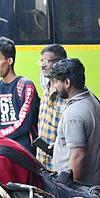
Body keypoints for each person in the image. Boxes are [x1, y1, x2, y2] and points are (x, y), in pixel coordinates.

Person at [50, 57, 100, 188]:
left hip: (79, 192)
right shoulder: (92, 99)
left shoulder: (73, 113)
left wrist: (65, 190)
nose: (55, 87)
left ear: (67, 82)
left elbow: (78, 155)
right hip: (94, 186)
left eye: (56, 82)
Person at [0, 36, 38, 150]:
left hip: (23, 148)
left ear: (9, 61)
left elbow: (24, 123)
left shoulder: (25, 85)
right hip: (3, 146)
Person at [36, 43, 67, 171]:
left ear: (60, 63)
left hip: (60, 166)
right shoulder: (45, 92)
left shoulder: (67, 95)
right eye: (41, 61)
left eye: (47, 61)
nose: (43, 65)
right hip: (42, 166)